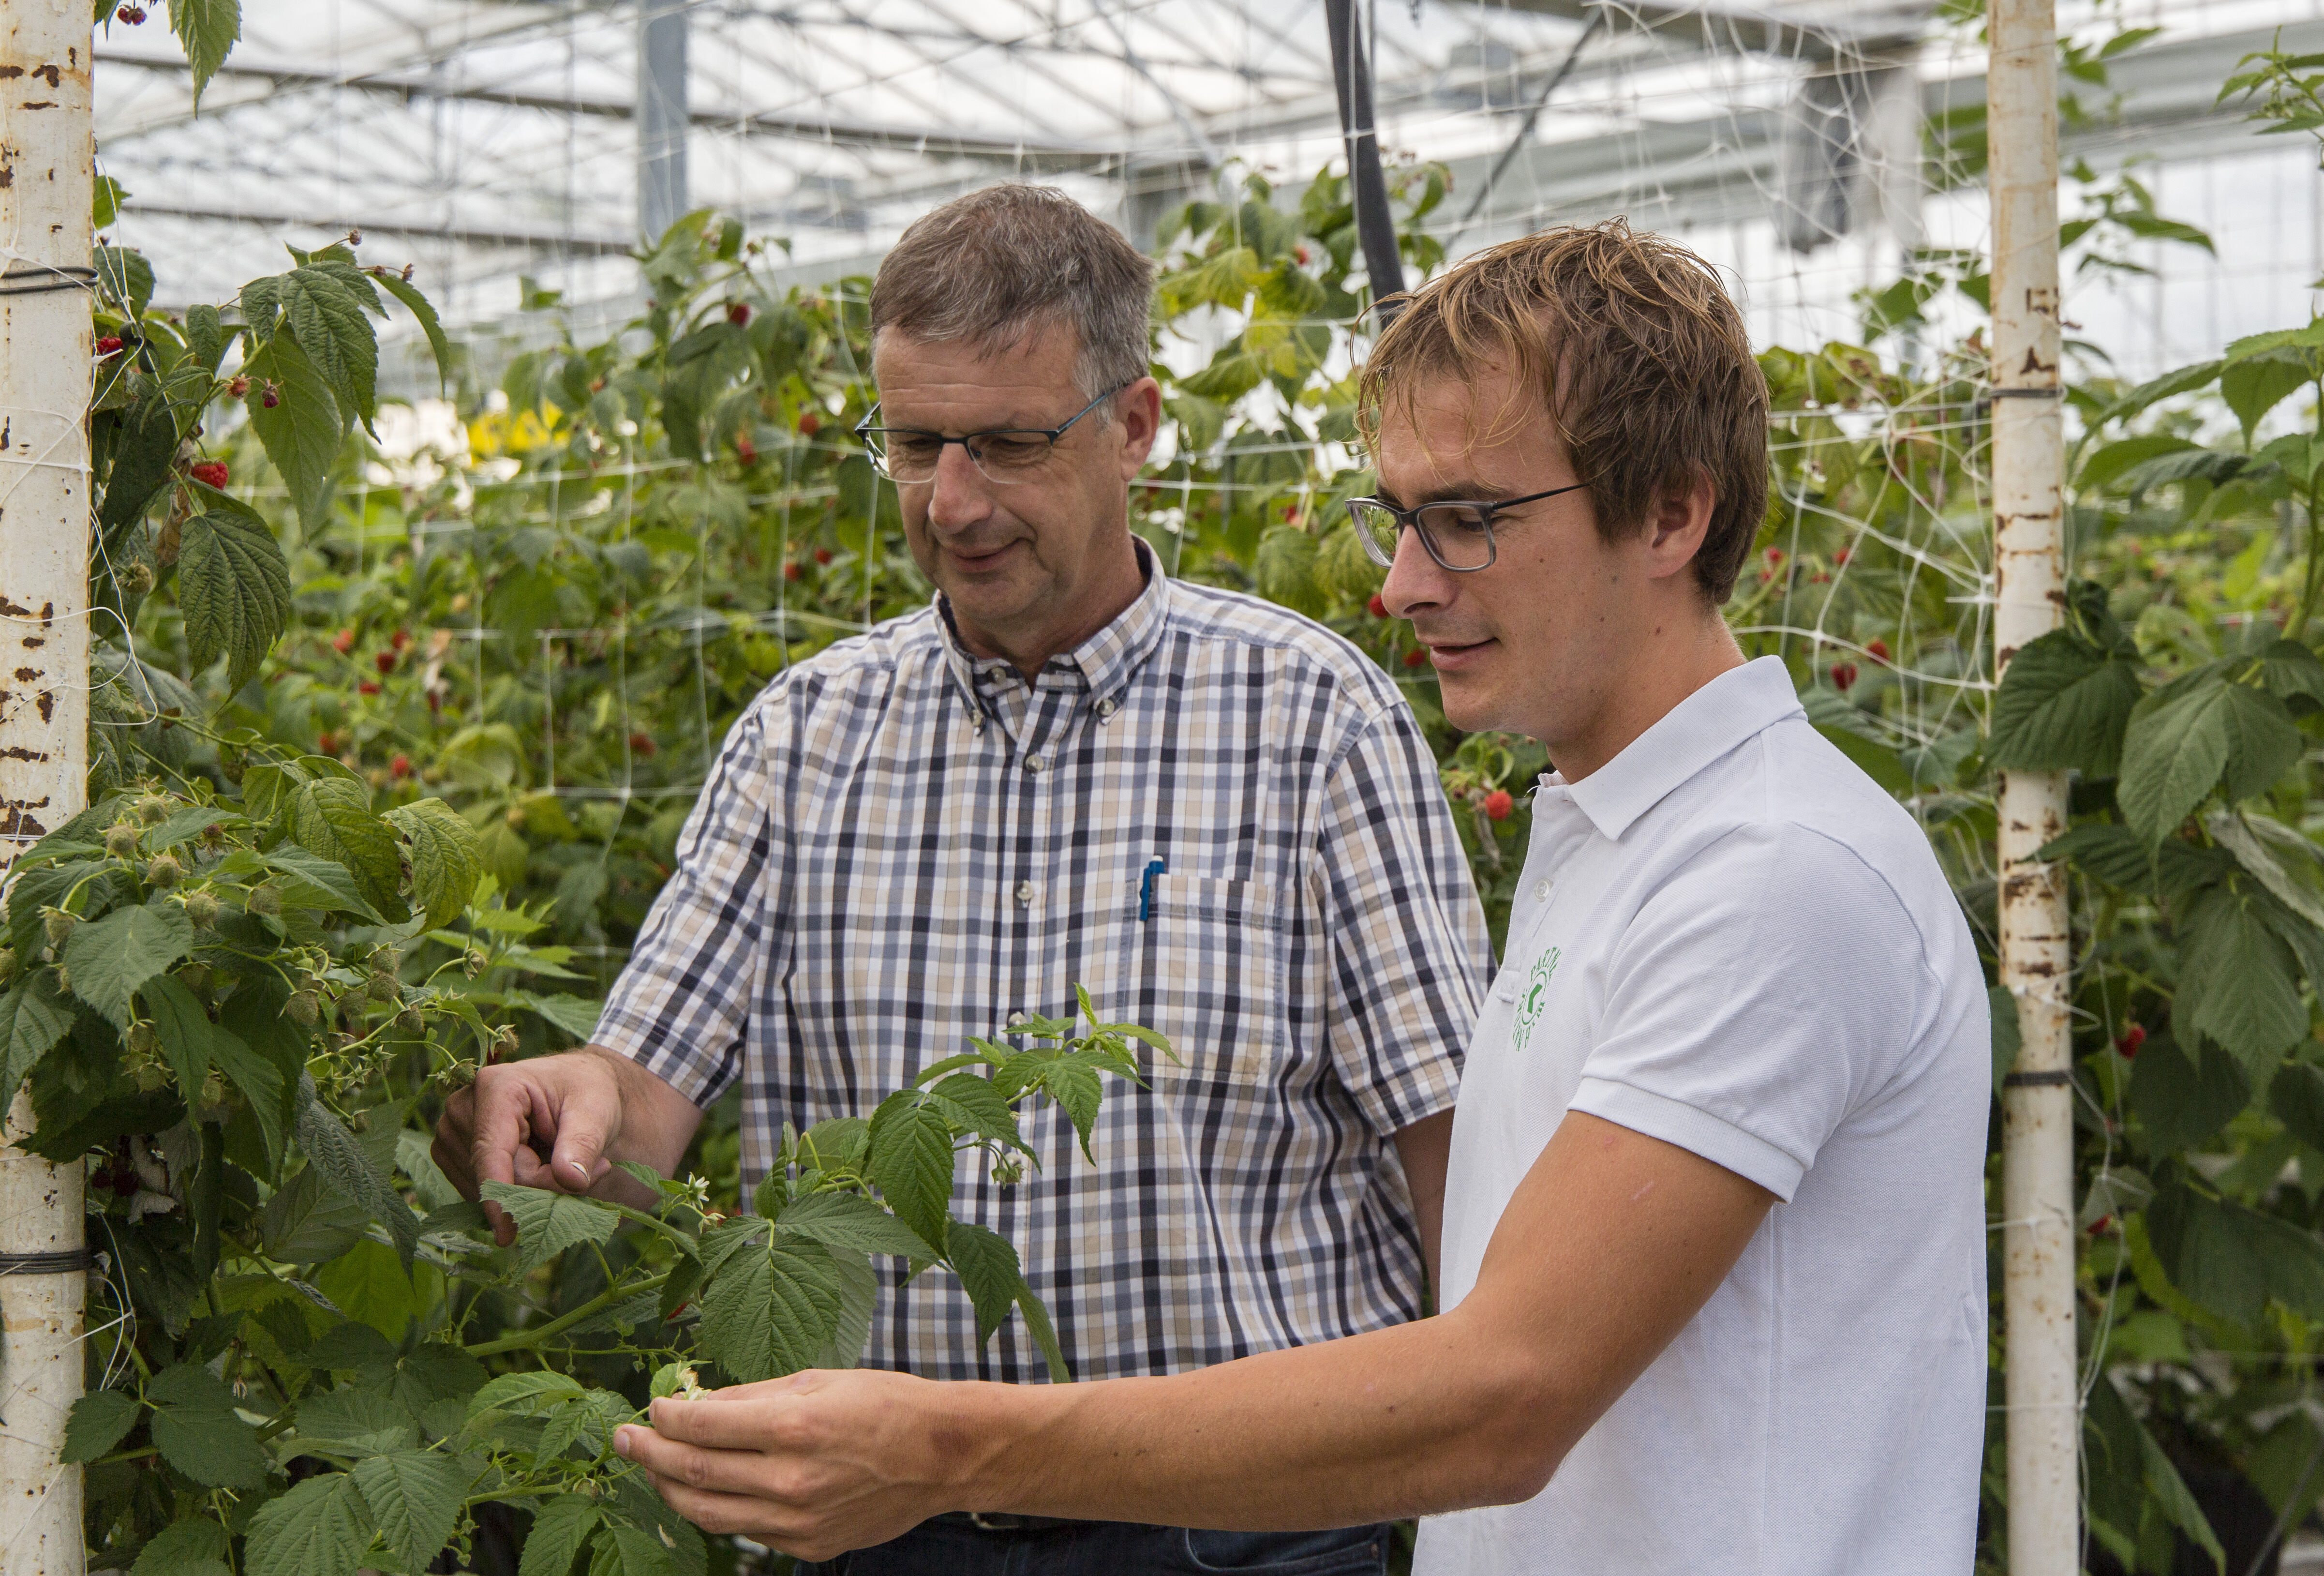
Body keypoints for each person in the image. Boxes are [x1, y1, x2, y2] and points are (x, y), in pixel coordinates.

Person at [605, 219, 1994, 1576]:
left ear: (1673, 514)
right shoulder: (1617, 839)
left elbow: (1505, 1392)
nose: (1400, 586)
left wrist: (952, 1448)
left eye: (1466, 522)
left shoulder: (1773, 876)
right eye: (1399, 521)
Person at [433, 184, 1490, 1575]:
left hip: (1236, 1526)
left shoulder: (1309, 718)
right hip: (874, 1528)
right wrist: (554, 1110)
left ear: (1134, 426)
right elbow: (640, 1107)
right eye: (916, 442)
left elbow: (1455, 1159)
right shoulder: (804, 737)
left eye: (1006, 443)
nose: (952, 501)